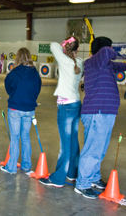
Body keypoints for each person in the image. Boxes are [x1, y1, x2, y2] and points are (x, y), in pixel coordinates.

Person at [74, 37, 126, 199]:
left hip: (105, 112)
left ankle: (93, 178)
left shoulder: (105, 64)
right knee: (93, 150)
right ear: (103, 48)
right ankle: (82, 184)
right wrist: (108, 47)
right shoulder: (94, 60)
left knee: (99, 149)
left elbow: (117, 65)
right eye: (110, 46)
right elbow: (107, 52)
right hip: (98, 112)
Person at [39, 37, 83, 188]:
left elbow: (52, 44)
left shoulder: (66, 61)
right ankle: (72, 173)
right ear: (78, 49)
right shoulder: (80, 62)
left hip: (65, 108)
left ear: (67, 48)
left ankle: (57, 179)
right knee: (73, 142)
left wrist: (64, 44)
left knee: (65, 145)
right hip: (76, 105)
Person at [0, 47, 42, 174]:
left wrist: (15, 95)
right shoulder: (35, 73)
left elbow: (8, 86)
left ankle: (11, 167)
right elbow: (37, 89)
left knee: (15, 137)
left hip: (15, 108)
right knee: (25, 136)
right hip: (29, 109)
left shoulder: (14, 72)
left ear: (18, 57)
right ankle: (26, 165)